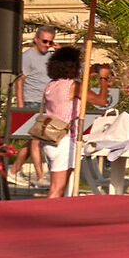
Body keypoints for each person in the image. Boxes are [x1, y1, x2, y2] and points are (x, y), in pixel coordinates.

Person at [15, 27, 58, 187]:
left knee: (35, 140)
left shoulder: (51, 56)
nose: (47, 45)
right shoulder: (27, 56)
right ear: (36, 39)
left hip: (47, 103)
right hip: (31, 102)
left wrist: (60, 53)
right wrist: (20, 107)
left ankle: (13, 170)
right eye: (45, 41)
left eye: (50, 42)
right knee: (36, 141)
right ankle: (41, 176)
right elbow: (20, 81)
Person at [39, 46, 83, 200]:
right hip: (64, 140)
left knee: (61, 188)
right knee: (56, 190)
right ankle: (46, 219)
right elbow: (101, 100)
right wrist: (103, 79)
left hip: (50, 138)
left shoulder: (51, 85)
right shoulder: (73, 86)